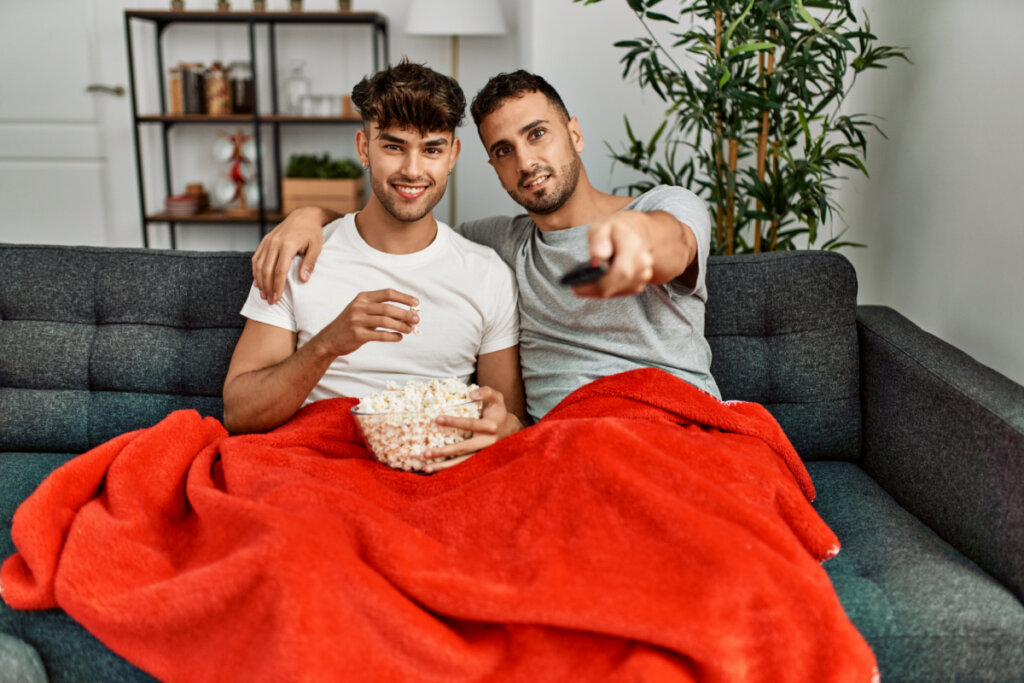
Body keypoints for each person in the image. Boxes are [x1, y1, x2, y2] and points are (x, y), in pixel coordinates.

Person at [249, 69, 720, 422]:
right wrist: (309, 217)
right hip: (566, 444)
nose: (527, 161)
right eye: (503, 150)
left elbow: (673, 243)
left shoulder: (666, 205)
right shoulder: (499, 245)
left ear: (574, 133)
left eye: (537, 134)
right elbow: (400, 224)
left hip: (675, 422)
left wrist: (636, 239)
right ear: (491, 165)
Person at [223, 60, 527, 464]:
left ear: (452, 155)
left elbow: (511, 422)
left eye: (432, 149)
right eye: (393, 146)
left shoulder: (487, 275)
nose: (413, 170)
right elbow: (238, 414)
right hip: (315, 467)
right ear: (364, 148)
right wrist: (329, 344)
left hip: (434, 471)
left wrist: (502, 425)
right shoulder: (299, 256)